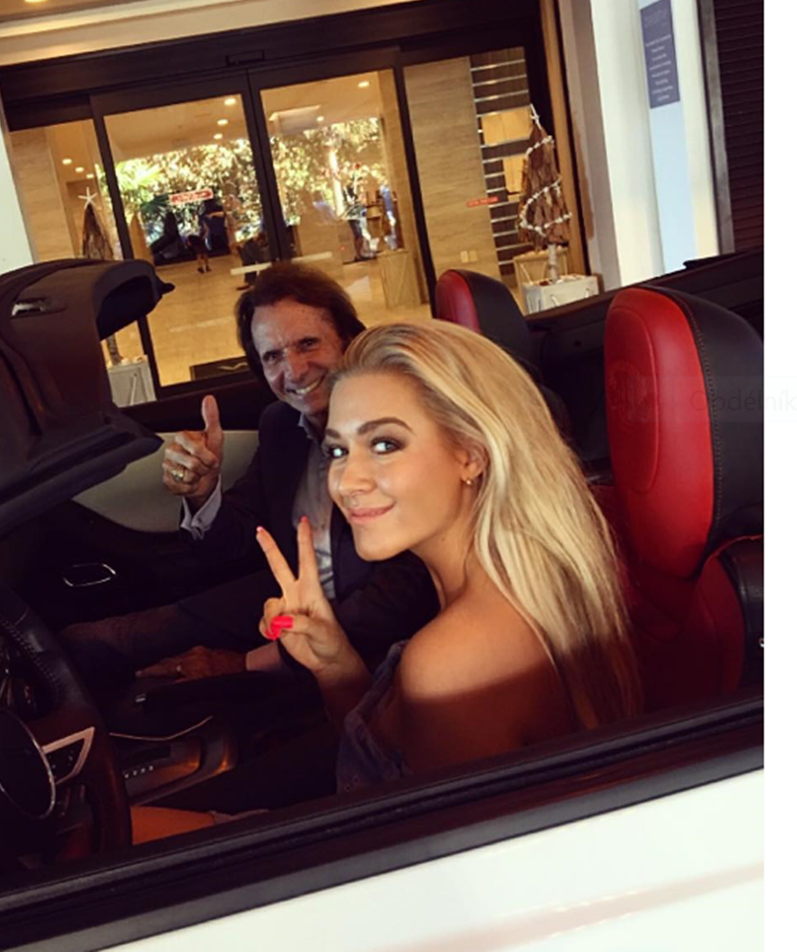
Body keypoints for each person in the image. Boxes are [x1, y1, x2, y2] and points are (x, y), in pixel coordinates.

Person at [255, 320, 642, 788]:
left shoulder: (453, 659)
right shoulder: (516, 587)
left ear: (470, 454)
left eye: (384, 444)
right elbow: (386, 769)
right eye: (337, 451)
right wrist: (335, 665)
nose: (346, 481)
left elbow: (404, 823)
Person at [61, 264, 438, 692]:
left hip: (357, 638)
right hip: (282, 603)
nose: (294, 371)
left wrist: (248, 663)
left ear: (349, 341)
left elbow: (406, 595)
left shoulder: (391, 430)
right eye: (273, 356)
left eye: (308, 343)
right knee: (91, 643)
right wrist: (203, 493)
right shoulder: (282, 425)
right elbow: (239, 542)